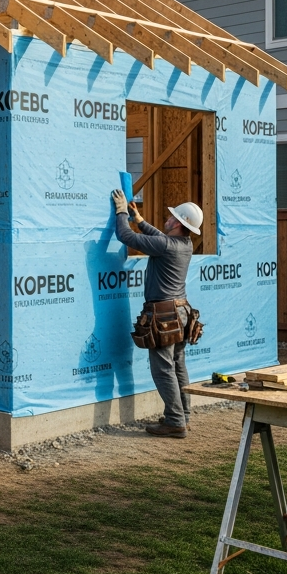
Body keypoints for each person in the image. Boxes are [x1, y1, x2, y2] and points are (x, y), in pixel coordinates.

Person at [110, 188, 203, 439]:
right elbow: (160, 238)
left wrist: (121, 212)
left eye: (172, 217)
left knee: (162, 369)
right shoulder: (184, 244)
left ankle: (174, 421)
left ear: (177, 222)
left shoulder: (166, 244)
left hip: (164, 316)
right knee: (178, 366)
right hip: (181, 313)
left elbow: (124, 235)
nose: (168, 218)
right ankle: (183, 416)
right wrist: (140, 220)